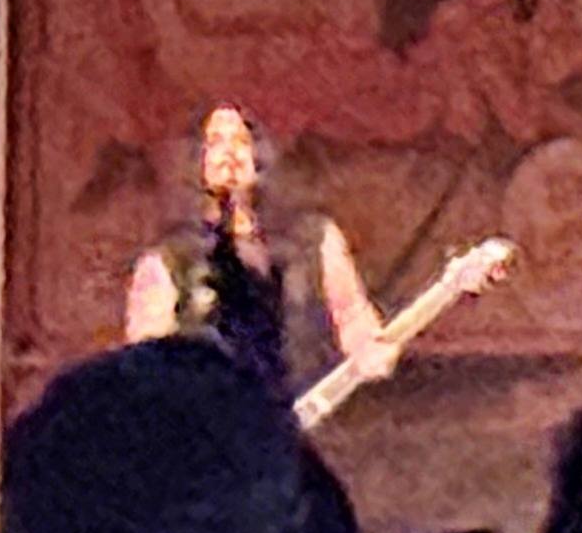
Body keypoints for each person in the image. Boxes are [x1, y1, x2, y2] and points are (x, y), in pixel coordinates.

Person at [121, 104, 393, 398]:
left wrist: (367, 345)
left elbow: (351, 313)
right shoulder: (167, 261)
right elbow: (148, 361)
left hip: (307, 408)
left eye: (241, 140)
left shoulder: (314, 238)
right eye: (215, 142)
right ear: (197, 161)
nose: (230, 153)